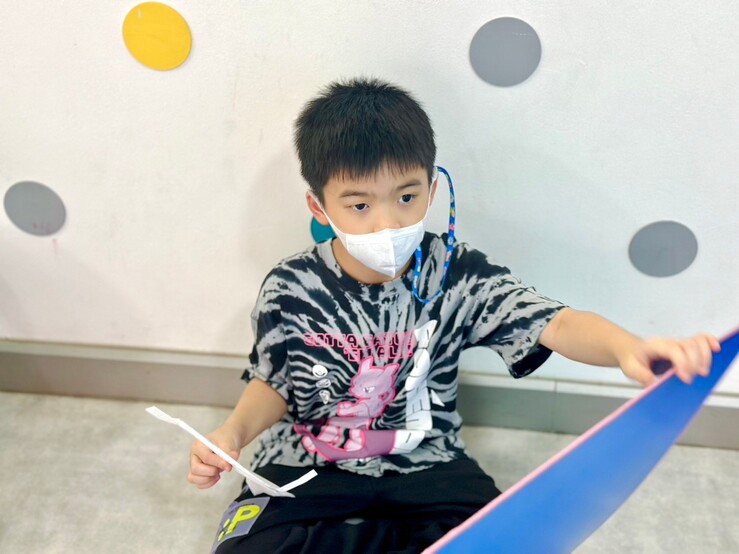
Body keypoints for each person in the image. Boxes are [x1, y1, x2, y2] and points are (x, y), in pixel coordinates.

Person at [188, 78, 720, 554]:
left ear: (432, 188)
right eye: (359, 205)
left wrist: (628, 348)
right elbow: (273, 383)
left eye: (407, 196)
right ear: (319, 208)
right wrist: (232, 431)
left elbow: (556, 323)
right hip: (305, 468)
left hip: (430, 464)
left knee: (505, 540)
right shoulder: (290, 287)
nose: (386, 223)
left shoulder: (458, 272)